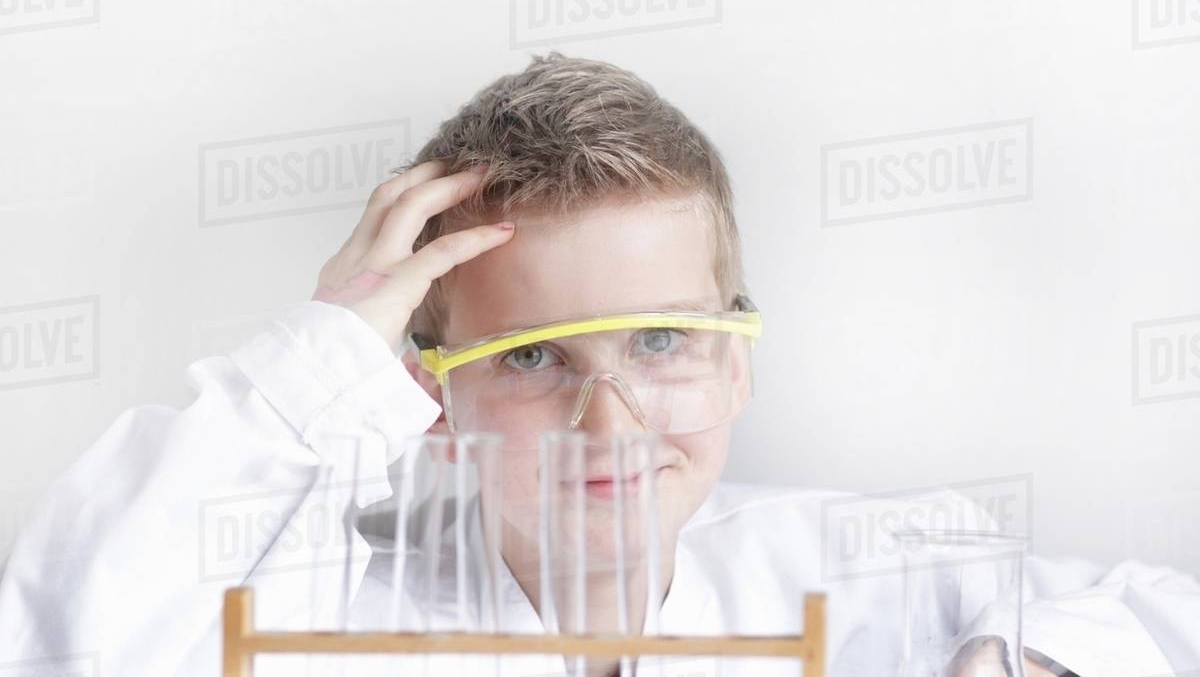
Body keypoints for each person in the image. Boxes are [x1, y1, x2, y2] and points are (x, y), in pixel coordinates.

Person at [1, 54, 1198, 676]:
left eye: (663, 340)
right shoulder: (331, 619)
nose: (612, 423)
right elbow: (70, 646)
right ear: (429, 393)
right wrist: (323, 354)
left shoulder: (880, 577)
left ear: (739, 363)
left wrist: (1033, 658)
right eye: (530, 355)